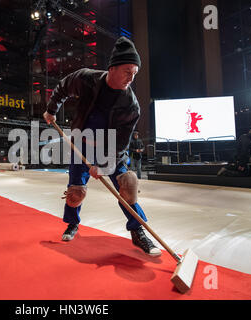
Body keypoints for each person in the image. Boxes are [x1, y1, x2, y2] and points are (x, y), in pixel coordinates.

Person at [43, 37, 161, 257]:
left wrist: (105, 165)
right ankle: (72, 224)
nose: (131, 77)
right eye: (127, 71)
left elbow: (121, 143)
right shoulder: (86, 79)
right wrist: (51, 110)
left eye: (134, 73)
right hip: (82, 144)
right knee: (75, 190)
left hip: (111, 150)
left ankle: (138, 231)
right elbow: (62, 88)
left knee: (127, 187)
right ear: (112, 68)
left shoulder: (131, 105)